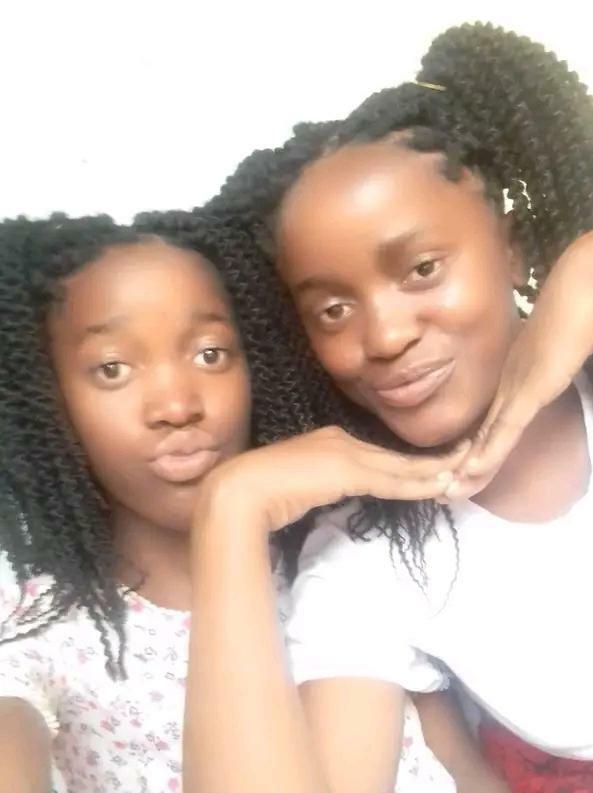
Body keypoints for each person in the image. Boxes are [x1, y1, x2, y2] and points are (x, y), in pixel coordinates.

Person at [203, 21, 593, 793]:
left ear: (513, 247)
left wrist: (578, 273)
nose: (383, 337)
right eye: (332, 310)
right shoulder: (366, 557)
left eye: (420, 269)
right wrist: (230, 510)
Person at [0, 212, 464, 792]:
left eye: (211, 354)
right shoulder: (39, 635)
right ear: (48, 400)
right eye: (113, 369)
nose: (177, 406)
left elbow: (464, 769)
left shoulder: (343, 554)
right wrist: (233, 510)